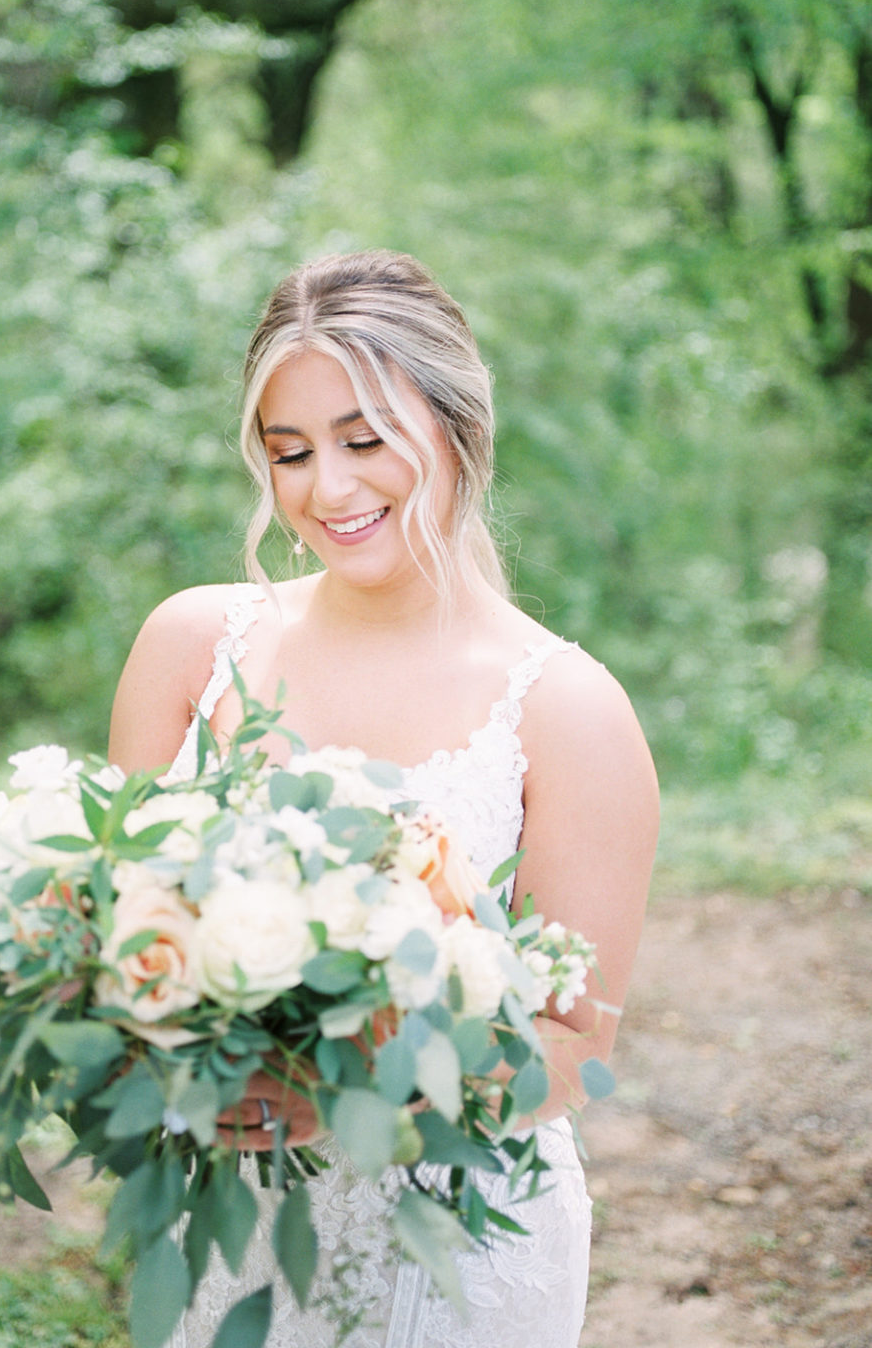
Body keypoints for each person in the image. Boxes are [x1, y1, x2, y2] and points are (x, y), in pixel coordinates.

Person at [107, 250, 659, 1348]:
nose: (328, 489)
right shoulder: (187, 647)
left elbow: (570, 1047)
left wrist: (367, 1097)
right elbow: (112, 931)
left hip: (451, 1237)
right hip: (221, 1214)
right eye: (290, 452)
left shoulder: (565, 709)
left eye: (365, 440)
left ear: (457, 425)